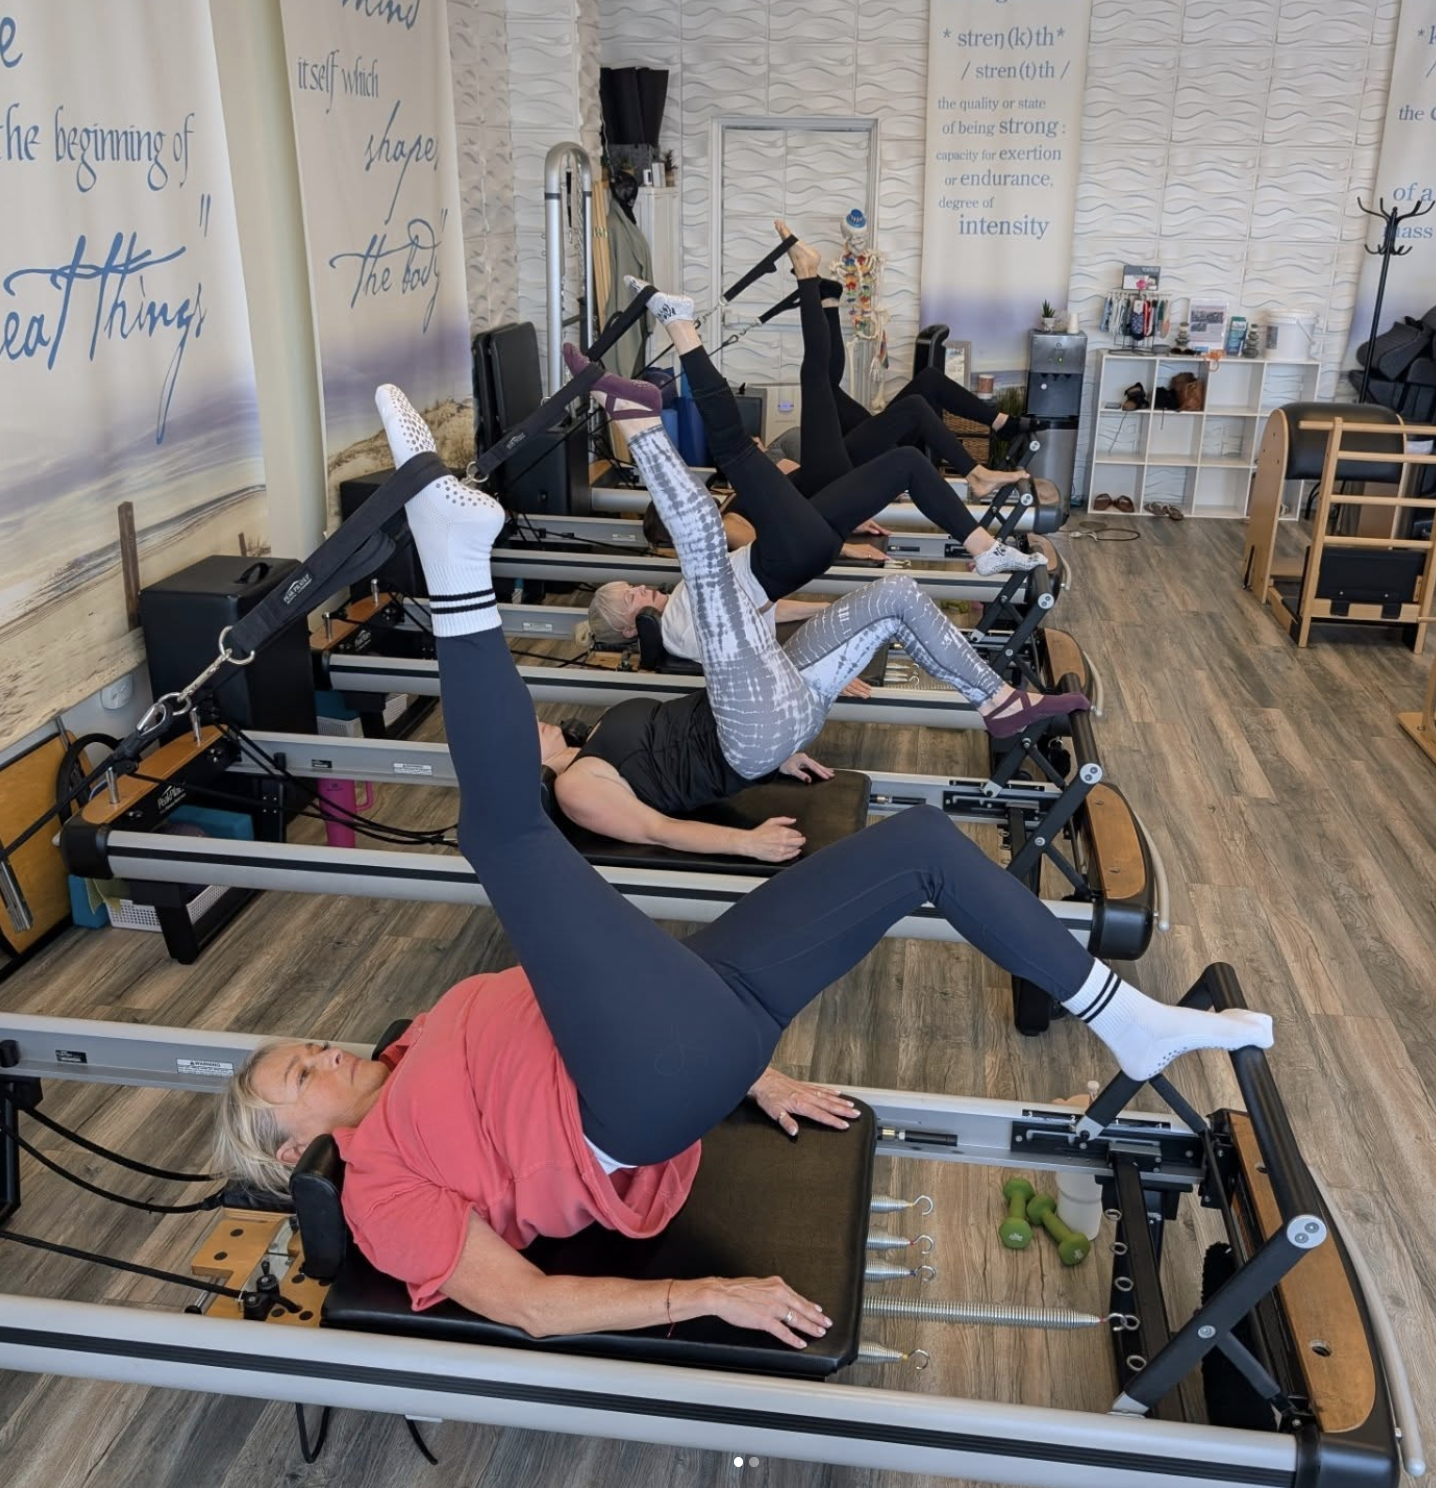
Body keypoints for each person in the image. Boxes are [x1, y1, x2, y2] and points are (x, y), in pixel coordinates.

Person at [212, 380, 1275, 1347]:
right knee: (504, 832)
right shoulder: (377, 1189)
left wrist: (751, 1074)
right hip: (629, 1106)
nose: (323, 1056)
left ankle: (1123, 1020)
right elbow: (529, 1305)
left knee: (913, 846)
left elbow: (592, 998)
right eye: (298, 1078)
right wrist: (709, 1295)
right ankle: (460, 556)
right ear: (285, 1146)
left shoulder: (418, 1040)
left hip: (695, 1029)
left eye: (305, 1046)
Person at [554, 350, 1090, 862]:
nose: (533, 725)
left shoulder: (598, 729)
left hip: (779, 713)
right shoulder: (576, 786)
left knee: (894, 594)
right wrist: (743, 842)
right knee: (703, 554)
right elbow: (657, 830)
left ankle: (998, 702)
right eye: (523, 734)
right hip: (749, 740)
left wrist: (779, 755)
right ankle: (632, 418)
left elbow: (721, 691)